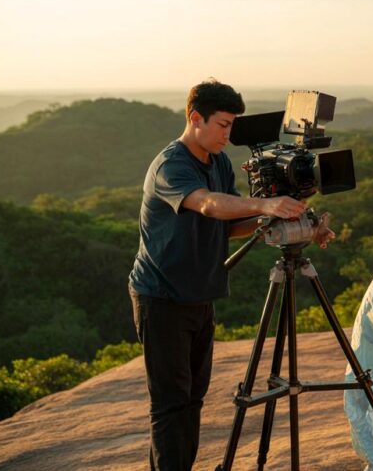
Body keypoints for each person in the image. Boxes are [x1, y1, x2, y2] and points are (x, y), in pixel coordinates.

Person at [128, 79, 335, 471]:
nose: (229, 134)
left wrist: (291, 216)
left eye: (232, 125)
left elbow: (230, 224)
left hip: (200, 294)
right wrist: (265, 204)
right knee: (172, 405)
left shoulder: (219, 162)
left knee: (192, 399)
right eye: (223, 125)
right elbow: (208, 205)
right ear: (195, 118)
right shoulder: (172, 165)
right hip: (162, 298)